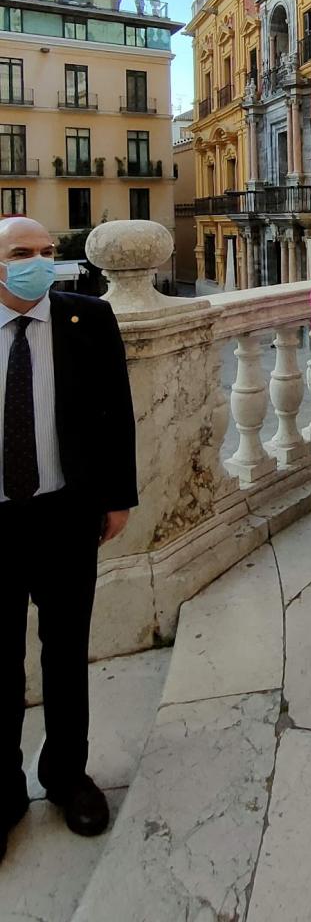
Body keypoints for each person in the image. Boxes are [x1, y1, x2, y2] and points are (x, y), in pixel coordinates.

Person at [0, 216, 137, 865]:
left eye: (46, 252)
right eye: (20, 253)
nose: (36, 262)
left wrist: (117, 497)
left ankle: (67, 777)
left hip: (65, 513)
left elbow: (115, 411)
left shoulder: (87, 318)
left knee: (65, 654)